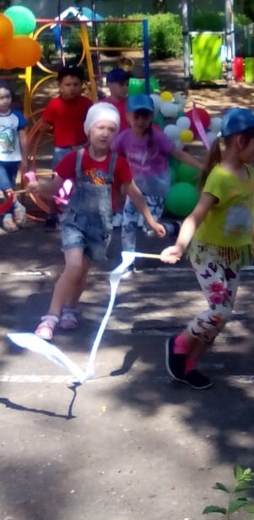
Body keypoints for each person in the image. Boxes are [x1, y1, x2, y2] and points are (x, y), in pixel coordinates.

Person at [29, 103, 165, 341]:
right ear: (88, 130)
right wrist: (39, 187)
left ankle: (71, 308)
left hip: (101, 225)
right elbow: (53, 187)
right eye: (100, 127)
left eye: (111, 129)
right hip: (75, 221)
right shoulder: (75, 158)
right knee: (73, 267)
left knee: (82, 271)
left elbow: (134, 193)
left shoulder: (118, 163)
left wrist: (150, 220)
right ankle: (51, 316)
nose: (105, 133)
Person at [159, 108, 254, 390]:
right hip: (208, 254)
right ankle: (179, 342)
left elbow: (245, 209)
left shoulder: (248, 173)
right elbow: (194, 217)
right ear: (240, 141)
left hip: (232, 255)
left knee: (220, 317)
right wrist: (179, 246)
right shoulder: (219, 177)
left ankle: (189, 365)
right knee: (220, 311)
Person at [112, 94, 203, 251]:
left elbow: (179, 154)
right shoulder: (124, 137)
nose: (140, 121)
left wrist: (201, 167)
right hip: (134, 188)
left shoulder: (157, 137)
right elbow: (111, 155)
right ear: (127, 116)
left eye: (145, 117)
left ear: (151, 118)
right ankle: (128, 257)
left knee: (151, 230)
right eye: (136, 116)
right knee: (128, 224)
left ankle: (176, 226)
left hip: (155, 190)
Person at [39, 64, 94, 228]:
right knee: (56, 181)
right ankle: (52, 214)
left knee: (83, 182)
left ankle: (81, 214)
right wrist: (55, 131)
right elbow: (44, 125)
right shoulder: (54, 104)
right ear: (60, 86)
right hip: (61, 150)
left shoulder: (87, 104)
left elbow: (94, 126)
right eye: (68, 85)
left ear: (82, 85)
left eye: (76, 84)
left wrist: (86, 144)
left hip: (82, 149)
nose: (72, 88)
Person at [0, 81, 29, 201]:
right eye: (1, 98)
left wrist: (24, 159)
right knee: (6, 186)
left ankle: (10, 210)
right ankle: (16, 206)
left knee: (10, 188)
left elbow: (23, 139)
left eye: (8, 96)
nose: (5, 100)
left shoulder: (17, 116)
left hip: (13, 159)